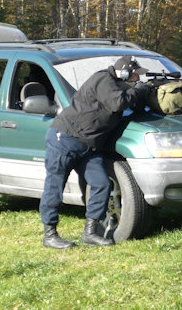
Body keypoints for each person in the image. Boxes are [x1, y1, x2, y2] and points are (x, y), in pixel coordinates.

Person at [39, 56, 149, 249]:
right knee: (55, 186)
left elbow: (133, 105)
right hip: (65, 139)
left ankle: (90, 232)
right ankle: (50, 235)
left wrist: (145, 93)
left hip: (89, 146)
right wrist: (138, 91)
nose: (137, 80)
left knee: (102, 183)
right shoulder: (103, 80)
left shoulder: (117, 86)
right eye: (134, 76)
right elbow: (118, 103)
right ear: (123, 73)